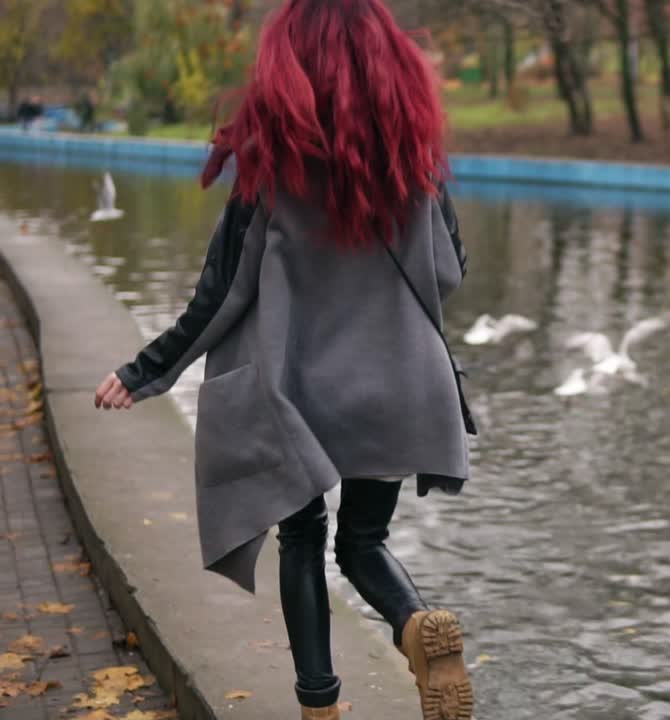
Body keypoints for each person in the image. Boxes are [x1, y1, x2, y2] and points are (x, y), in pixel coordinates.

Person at [91, 2, 476, 719]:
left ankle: (319, 708)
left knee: (303, 535)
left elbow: (220, 296)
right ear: (391, 68)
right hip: (397, 388)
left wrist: (147, 371)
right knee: (365, 541)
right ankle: (418, 627)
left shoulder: (273, 173)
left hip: (302, 393)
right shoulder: (414, 168)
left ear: (287, 66)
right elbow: (448, 272)